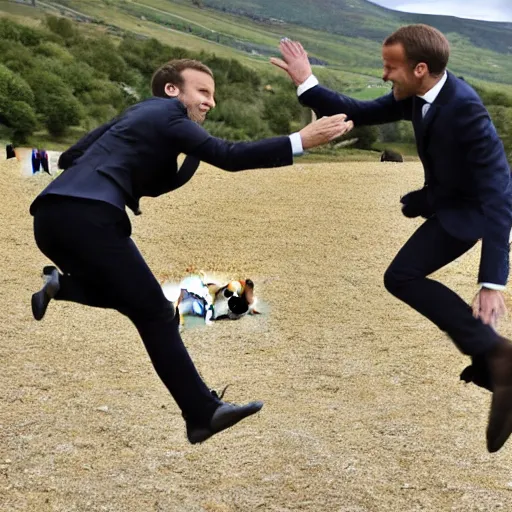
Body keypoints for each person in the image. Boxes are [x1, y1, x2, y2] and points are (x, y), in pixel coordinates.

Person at [30, 58, 354, 444]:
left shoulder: (135, 117)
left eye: (213, 96)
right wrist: (301, 140)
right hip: (90, 219)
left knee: (140, 304)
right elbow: (230, 156)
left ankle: (62, 287)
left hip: (50, 218)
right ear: (172, 90)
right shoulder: (167, 116)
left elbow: (69, 158)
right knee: (155, 313)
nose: (210, 102)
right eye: (203, 92)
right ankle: (202, 414)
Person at [271, 26, 512, 453]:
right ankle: (495, 360)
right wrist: (306, 82)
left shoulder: (465, 110)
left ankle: (497, 356)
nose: (384, 75)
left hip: (472, 214)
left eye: (391, 67)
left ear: (421, 69)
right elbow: (356, 111)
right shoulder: (418, 96)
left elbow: (499, 194)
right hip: (451, 206)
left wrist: (492, 282)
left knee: (402, 275)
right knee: (402, 276)